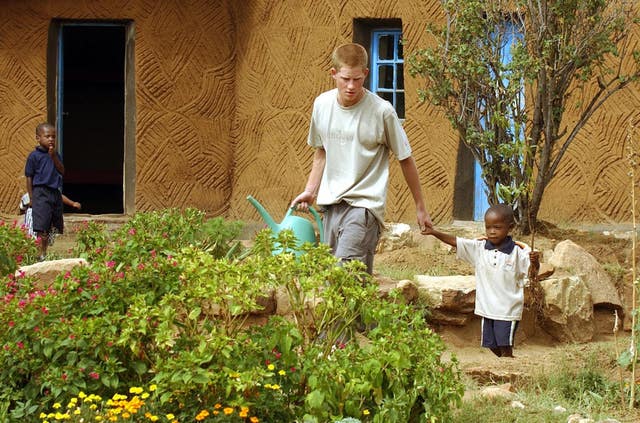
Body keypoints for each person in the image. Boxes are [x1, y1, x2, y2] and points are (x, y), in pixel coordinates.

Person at [291, 42, 432, 274]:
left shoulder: (382, 111)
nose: (351, 86)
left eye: (357, 79)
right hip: (331, 205)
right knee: (334, 280)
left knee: (345, 273)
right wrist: (310, 190)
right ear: (333, 74)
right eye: (345, 79)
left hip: (365, 206)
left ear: (366, 74)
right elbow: (321, 151)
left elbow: (405, 158)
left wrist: (420, 207)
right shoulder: (322, 105)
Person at [421, 204, 540, 358]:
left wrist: (535, 262)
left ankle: (508, 365)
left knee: (505, 345)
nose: (492, 231)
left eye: (497, 227)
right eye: (488, 227)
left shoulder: (518, 252)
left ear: (510, 227)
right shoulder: (480, 248)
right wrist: (433, 232)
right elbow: (456, 241)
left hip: (507, 309)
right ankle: (505, 363)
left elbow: (532, 273)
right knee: (491, 344)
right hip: (487, 308)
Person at [24, 122, 65, 260]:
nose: (51, 139)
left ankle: (45, 250)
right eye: (47, 136)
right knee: (41, 225)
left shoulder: (55, 155)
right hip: (40, 193)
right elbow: (29, 177)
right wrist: (31, 197)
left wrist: (53, 157)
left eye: (53, 136)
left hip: (54, 193)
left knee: (53, 223)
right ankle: (41, 253)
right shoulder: (34, 156)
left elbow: (62, 170)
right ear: (38, 138)